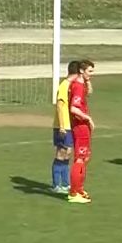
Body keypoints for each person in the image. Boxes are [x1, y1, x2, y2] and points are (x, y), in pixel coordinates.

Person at [67, 60, 96, 204]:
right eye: (90, 71)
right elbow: (74, 108)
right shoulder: (77, 86)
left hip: (81, 126)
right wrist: (88, 118)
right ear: (81, 71)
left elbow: (89, 93)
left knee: (84, 158)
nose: (92, 74)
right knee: (80, 158)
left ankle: (79, 188)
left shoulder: (81, 84)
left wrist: (88, 80)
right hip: (80, 126)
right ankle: (73, 192)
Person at [51, 60, 80, 194]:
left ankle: (66, 183)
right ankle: (57, 185)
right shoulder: (64, 86)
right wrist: (62, 126)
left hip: (69, 125)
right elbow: (59, 105)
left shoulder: (72, 85)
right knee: (61, 153)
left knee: (67, 153)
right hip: (62, 126)